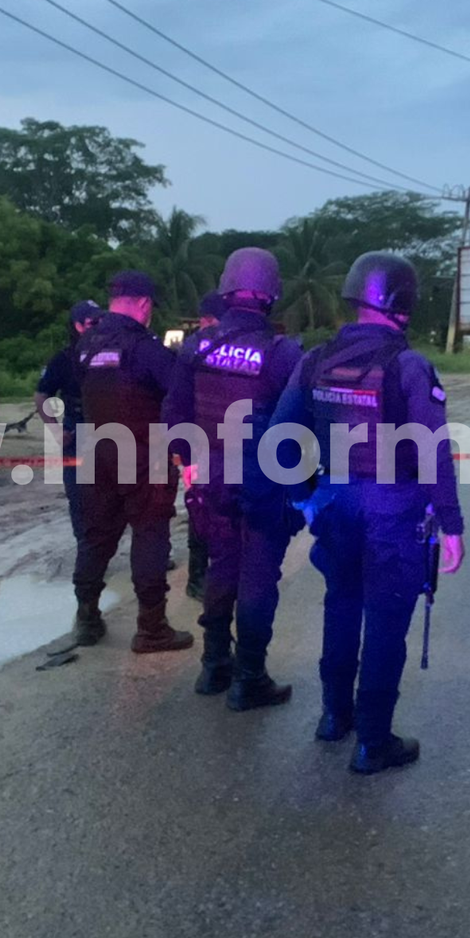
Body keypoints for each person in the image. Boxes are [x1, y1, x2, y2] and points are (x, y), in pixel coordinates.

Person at [264, 252, 465, 774]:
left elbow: (278, 440)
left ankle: (334, 718)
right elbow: (432, 449)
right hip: (393, 509)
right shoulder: (408, 365)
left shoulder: (315, 360)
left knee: (341, 606)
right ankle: (373, 742)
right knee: (384, 622)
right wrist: (452, 524)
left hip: (335, 501)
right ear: (402, 302)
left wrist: (305, 498)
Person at [163, 252, 305, 710]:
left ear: (226, 290)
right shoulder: (284, 354)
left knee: (222, 566)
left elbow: (175, 413)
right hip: (263, 481)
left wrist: (187, 464)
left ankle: (213, 667)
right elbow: (301, 427)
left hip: (210, 478)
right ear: (271, 295)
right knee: (259, 577)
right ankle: (249, 679)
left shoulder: (196, 346)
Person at [68, 271, 194, 653]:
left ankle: (87, 618)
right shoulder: (146, 348)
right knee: (150, 534)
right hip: (144, 454)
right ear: (144, 304)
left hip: (97, 452)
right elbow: (178, 396)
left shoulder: (87, 344)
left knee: (95, 537)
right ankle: (151, 628)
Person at [35, 299, 103, 547]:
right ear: (77, 326)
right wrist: (55, 430)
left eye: (101, 321)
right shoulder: (64, 359)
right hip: (78, 427)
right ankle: (87, 550)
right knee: (80, 495)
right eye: (92, 322)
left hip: (111, 428)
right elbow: (41, 395)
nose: (98, 326)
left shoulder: (113, 353)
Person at [183, 291, 227, 602]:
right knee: (203, 512)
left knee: (208, 510)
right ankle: (198, 577)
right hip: (204, 444)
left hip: (206, 442)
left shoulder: (193, 348)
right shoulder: (197, 348)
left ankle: (206, 575)